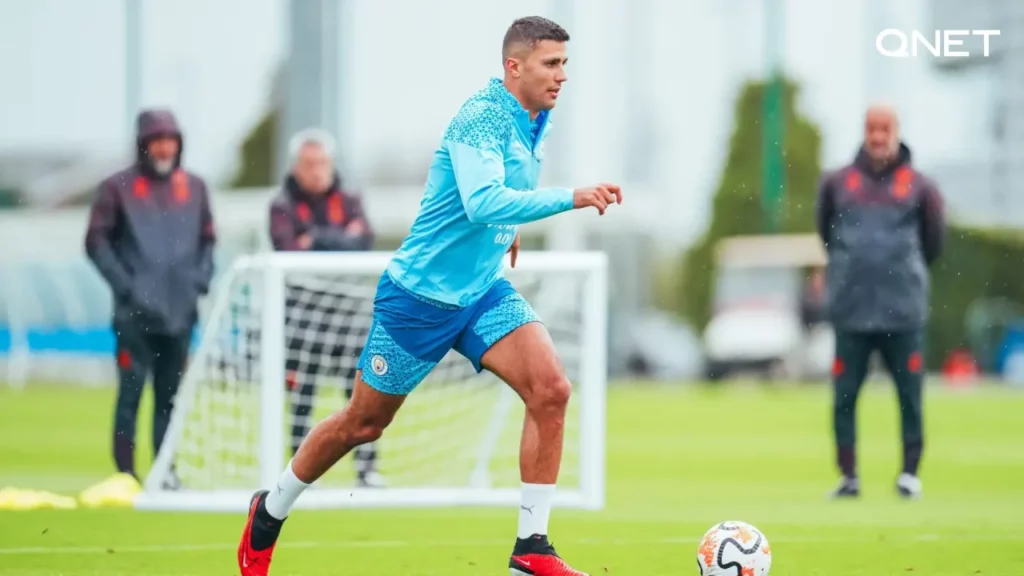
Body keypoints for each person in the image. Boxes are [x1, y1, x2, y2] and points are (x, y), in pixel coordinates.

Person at [237, 15, 621, 576]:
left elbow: (501, 199)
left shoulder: (538, 118)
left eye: (566, 64)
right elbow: (483, 201)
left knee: (551, 388)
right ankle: (270, 510)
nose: (563, 76)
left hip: (481, 293)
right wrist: (571, 197)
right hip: (418, 300)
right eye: (552, 64)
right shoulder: (480, 117)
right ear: (514, 67)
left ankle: (531, 548)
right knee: (362, 425)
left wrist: (507, 232)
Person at [815, 104, 945, 500]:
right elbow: (825, 233)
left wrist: (899, 272)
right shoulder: (836, 183)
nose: (877, 136)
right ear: (863, 130)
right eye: (871, 128)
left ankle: (909, 474)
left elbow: (933, 243)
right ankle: (848, 476)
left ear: (896, 131)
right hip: (851, 310)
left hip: (902, 311)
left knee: (909, 395)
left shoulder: (921, 187)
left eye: (884, 128)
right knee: (844, 397)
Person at [84, 109, 216, 496]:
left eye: (170, 139)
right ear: (143, 144)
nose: (164, 147)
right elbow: (96, 242)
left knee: (170, 397)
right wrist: (127, 287)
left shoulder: (195, 187)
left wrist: (199, 281)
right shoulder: (116, 188)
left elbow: (208, 240)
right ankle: (125, 474)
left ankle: (165, 471)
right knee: (131, 393)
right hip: (134, 315)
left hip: (180, 314)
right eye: (157, 140)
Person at [268, 127, 381, 488]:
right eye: (309, 164)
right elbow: (288, 248)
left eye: (322, 163)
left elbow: (363, 241)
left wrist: (315, 238)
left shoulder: (349, 199)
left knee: (364, 397)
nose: (317, 170)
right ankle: (297, 475)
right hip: (302, 320)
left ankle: (367, 471)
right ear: (296, 167)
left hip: (347, 318)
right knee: (302, 399)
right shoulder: (282, 204)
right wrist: (338, 237)